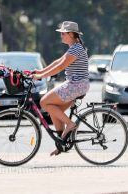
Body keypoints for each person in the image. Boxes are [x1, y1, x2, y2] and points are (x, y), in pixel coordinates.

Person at [33, 21, 90, 156]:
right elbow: (56, 62)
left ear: (71, 34)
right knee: (55, 111)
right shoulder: (74, 47)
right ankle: (61, 144)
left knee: (44, 102)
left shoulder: (76, 49)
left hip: (76, 85)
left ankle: (70, 125)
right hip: (76, 84)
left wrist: (41, 75)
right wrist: (40, 72)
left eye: (63, 33)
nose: (61, 36)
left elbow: (60, 67)